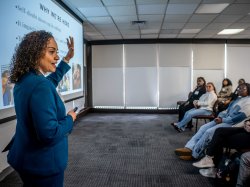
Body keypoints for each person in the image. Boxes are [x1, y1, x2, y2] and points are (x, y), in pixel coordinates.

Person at [7, 30, 77, 187]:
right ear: (35, 53)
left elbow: (50, 82)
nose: (57, 57)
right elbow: (49, 134)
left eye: (57, 53)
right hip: (43, 164)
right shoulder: (40, 85)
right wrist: (70, 119)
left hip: (26, 158)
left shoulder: (25, 80)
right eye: (52, 52)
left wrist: (67, 59)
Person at [175, 83, 250, 161]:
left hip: (233, 124)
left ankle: (195, 154)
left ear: (248, 90)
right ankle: (189, 148)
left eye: (242, 88)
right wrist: (220, 116)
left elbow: (238, 118)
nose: (239, 90)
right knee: (203, 127)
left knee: (209, 132)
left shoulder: (248, 102)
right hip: (225, 119)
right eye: (239, 88)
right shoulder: (238, 99)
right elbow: (226, 110)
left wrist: (222, 120)